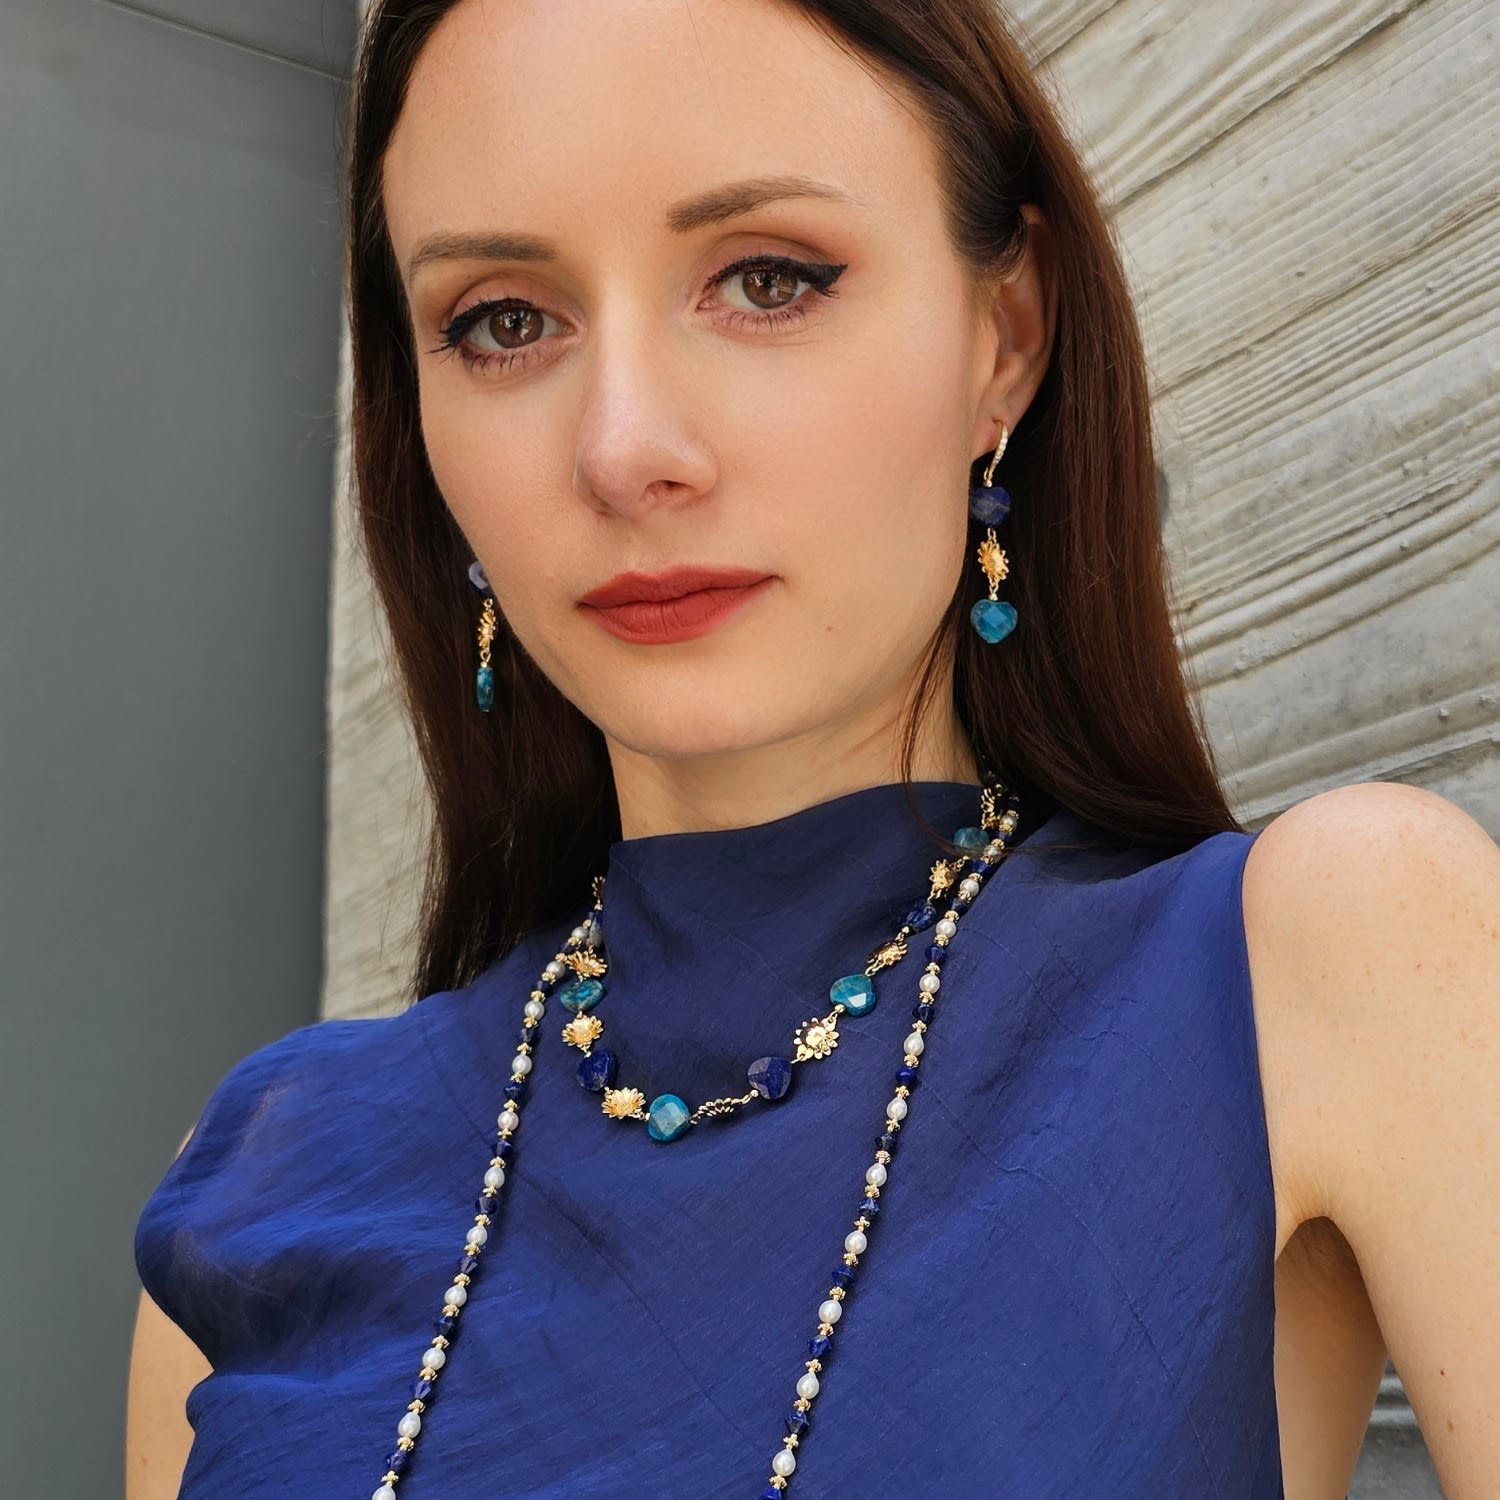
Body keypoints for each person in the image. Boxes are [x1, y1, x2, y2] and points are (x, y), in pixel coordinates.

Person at [125, 1, 1500, 1496]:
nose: (624, 449)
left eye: (767, 279)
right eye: (504, 321)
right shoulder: (264, 1172)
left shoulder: (1314, 965)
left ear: (1006, 335)